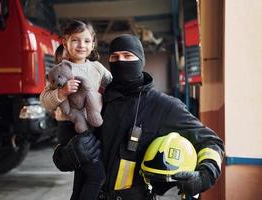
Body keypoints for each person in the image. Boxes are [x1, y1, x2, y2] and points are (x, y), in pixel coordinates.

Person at [53, 34, 224, 200]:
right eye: (114, 57)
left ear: (141, 61)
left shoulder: (163, 106)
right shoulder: (92, 99)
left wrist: (205, 175)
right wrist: (70, 154)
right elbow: (60, 157)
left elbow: (211, 142)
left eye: (127, 55)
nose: (120, 61)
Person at [40, 20, 112, 200]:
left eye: (87, 41)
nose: (81, 45)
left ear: (93, 43)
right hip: (70, 130)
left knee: (83, 177)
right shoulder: (59, 70)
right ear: (65, 42)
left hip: (93, 128)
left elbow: (112, 84)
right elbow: (45, 101)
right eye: (75, 40)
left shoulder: (97, 67)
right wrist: (62, 92)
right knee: (97, 177)